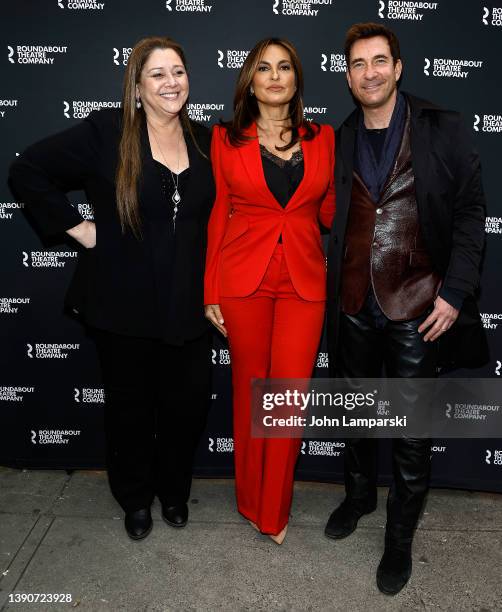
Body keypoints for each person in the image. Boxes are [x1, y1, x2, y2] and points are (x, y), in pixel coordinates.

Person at [9, 37, 215, 541]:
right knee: (130, 411)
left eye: (179, 72)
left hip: (188, 305)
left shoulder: (206, 140)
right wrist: (77, 227)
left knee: (184, 408)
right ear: (138, 87)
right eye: (158, 75)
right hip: (121, 305)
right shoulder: (108, 131)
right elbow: (27, 169)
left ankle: (173, 492)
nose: (172, 83)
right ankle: (135, 499)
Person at [325, 22, 488, 594]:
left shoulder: (441, 128)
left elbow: (470, 214)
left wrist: (455, 291)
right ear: (348, 76)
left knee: (412, 427)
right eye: (357, 64)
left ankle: (399, 540)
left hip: (419, 302)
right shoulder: (338, 136)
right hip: (351, 302)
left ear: (397, 67)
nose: (368, 72)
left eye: (378, 61)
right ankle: (359, 497)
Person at [204, 37, 335, 545]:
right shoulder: (225, 139)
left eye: (285, 67)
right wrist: (210, 289)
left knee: (286, 399)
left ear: (297, 79)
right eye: (264, 67)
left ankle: (273, 512)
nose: (275, 75)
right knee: (249, 393)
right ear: (250, 81)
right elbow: (218, 214)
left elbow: (328, 212)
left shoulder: (322, 138)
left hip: (303, 280)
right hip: (242, 280)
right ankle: (248, 499)